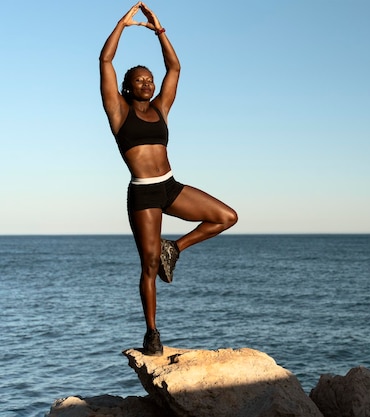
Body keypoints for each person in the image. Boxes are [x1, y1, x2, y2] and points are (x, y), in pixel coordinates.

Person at [99, 2, 237, 356]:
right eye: (139, 80)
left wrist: (160, 31)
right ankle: (152, 332)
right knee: (147, 265)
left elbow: (175, 67)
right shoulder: (118, 112)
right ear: (127, 88)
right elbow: (105, 62)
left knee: (226, 217)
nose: (147, 83)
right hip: (143, 195)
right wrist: (123, 24)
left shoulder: (161, 108)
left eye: (149, 79)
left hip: (170, 186)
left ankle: (174, 248)